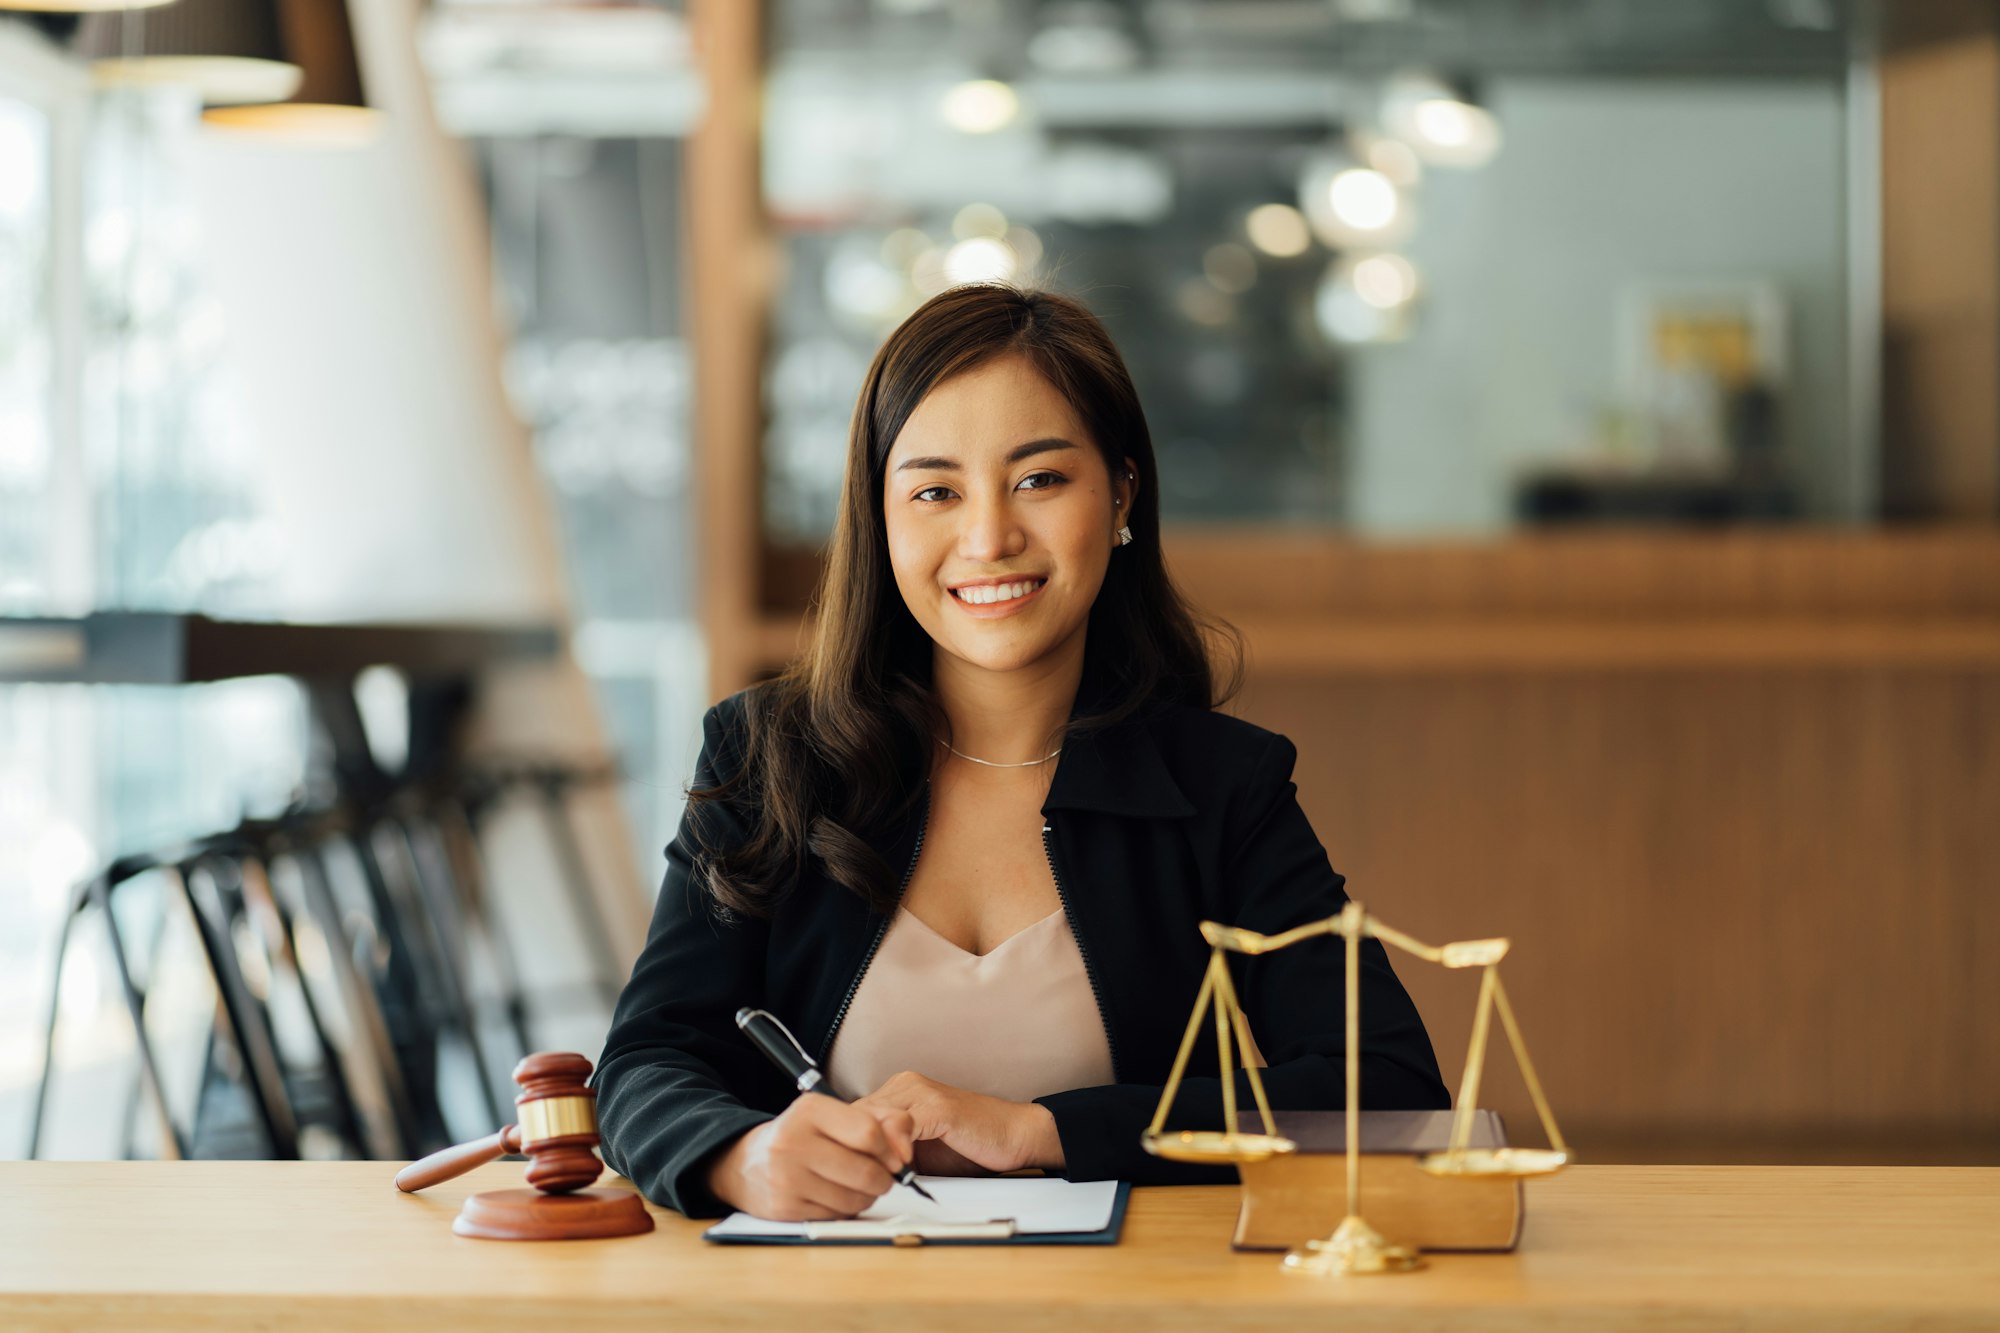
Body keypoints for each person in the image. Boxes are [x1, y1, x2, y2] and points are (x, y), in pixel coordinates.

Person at [596, 284, 1448, 1221]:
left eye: (1040, 479)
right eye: (934, 491)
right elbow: (644, 1064)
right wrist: (739, 1156)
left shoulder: (1219, 786)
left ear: (1121, 492)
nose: (989, 537)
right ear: (880, 520)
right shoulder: (769, 759)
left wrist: (1042, 1131)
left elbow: (1390, 1092)